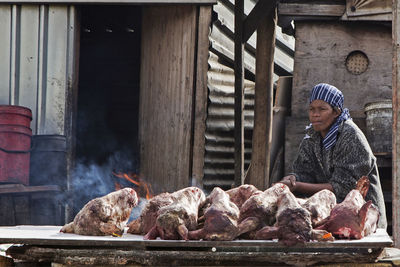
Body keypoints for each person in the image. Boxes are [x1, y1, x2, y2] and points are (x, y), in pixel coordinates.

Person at [280, 83, 387, 229]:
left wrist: (297, 185)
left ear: (336, 112)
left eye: (322, 109)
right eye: (311, 109)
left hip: (363, 219)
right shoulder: (312, 136)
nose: (315, 114)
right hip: (330, 216)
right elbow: (303, 172)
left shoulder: (350, 136)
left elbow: (342, 188)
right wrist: (293, 178)